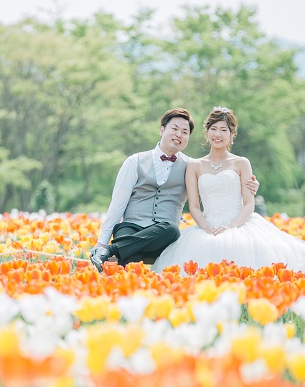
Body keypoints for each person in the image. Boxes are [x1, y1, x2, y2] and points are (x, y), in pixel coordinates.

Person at [151, 107, 305, 275]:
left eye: (223, 130)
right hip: (207, 225)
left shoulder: (241, 163)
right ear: (207, 132)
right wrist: (206, 227)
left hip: (240, 223)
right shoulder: (194, 166)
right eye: (213, 129)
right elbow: (194, 206)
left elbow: (249, 203)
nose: (218, 134)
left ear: (231, 134)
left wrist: (231, 227)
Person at [89, 107, 259, 272]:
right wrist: (102, 243)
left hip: (163, 235)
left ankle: (113, 255)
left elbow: (216, 185)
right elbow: (117, 204)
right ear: (162, 130)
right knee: (128, 249)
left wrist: (250, 185)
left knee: (170, 230)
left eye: (184, 132)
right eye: (175, 129)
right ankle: (112, 257)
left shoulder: (191, 166)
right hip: (131, 229)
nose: (179, 134)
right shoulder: (135, 161)